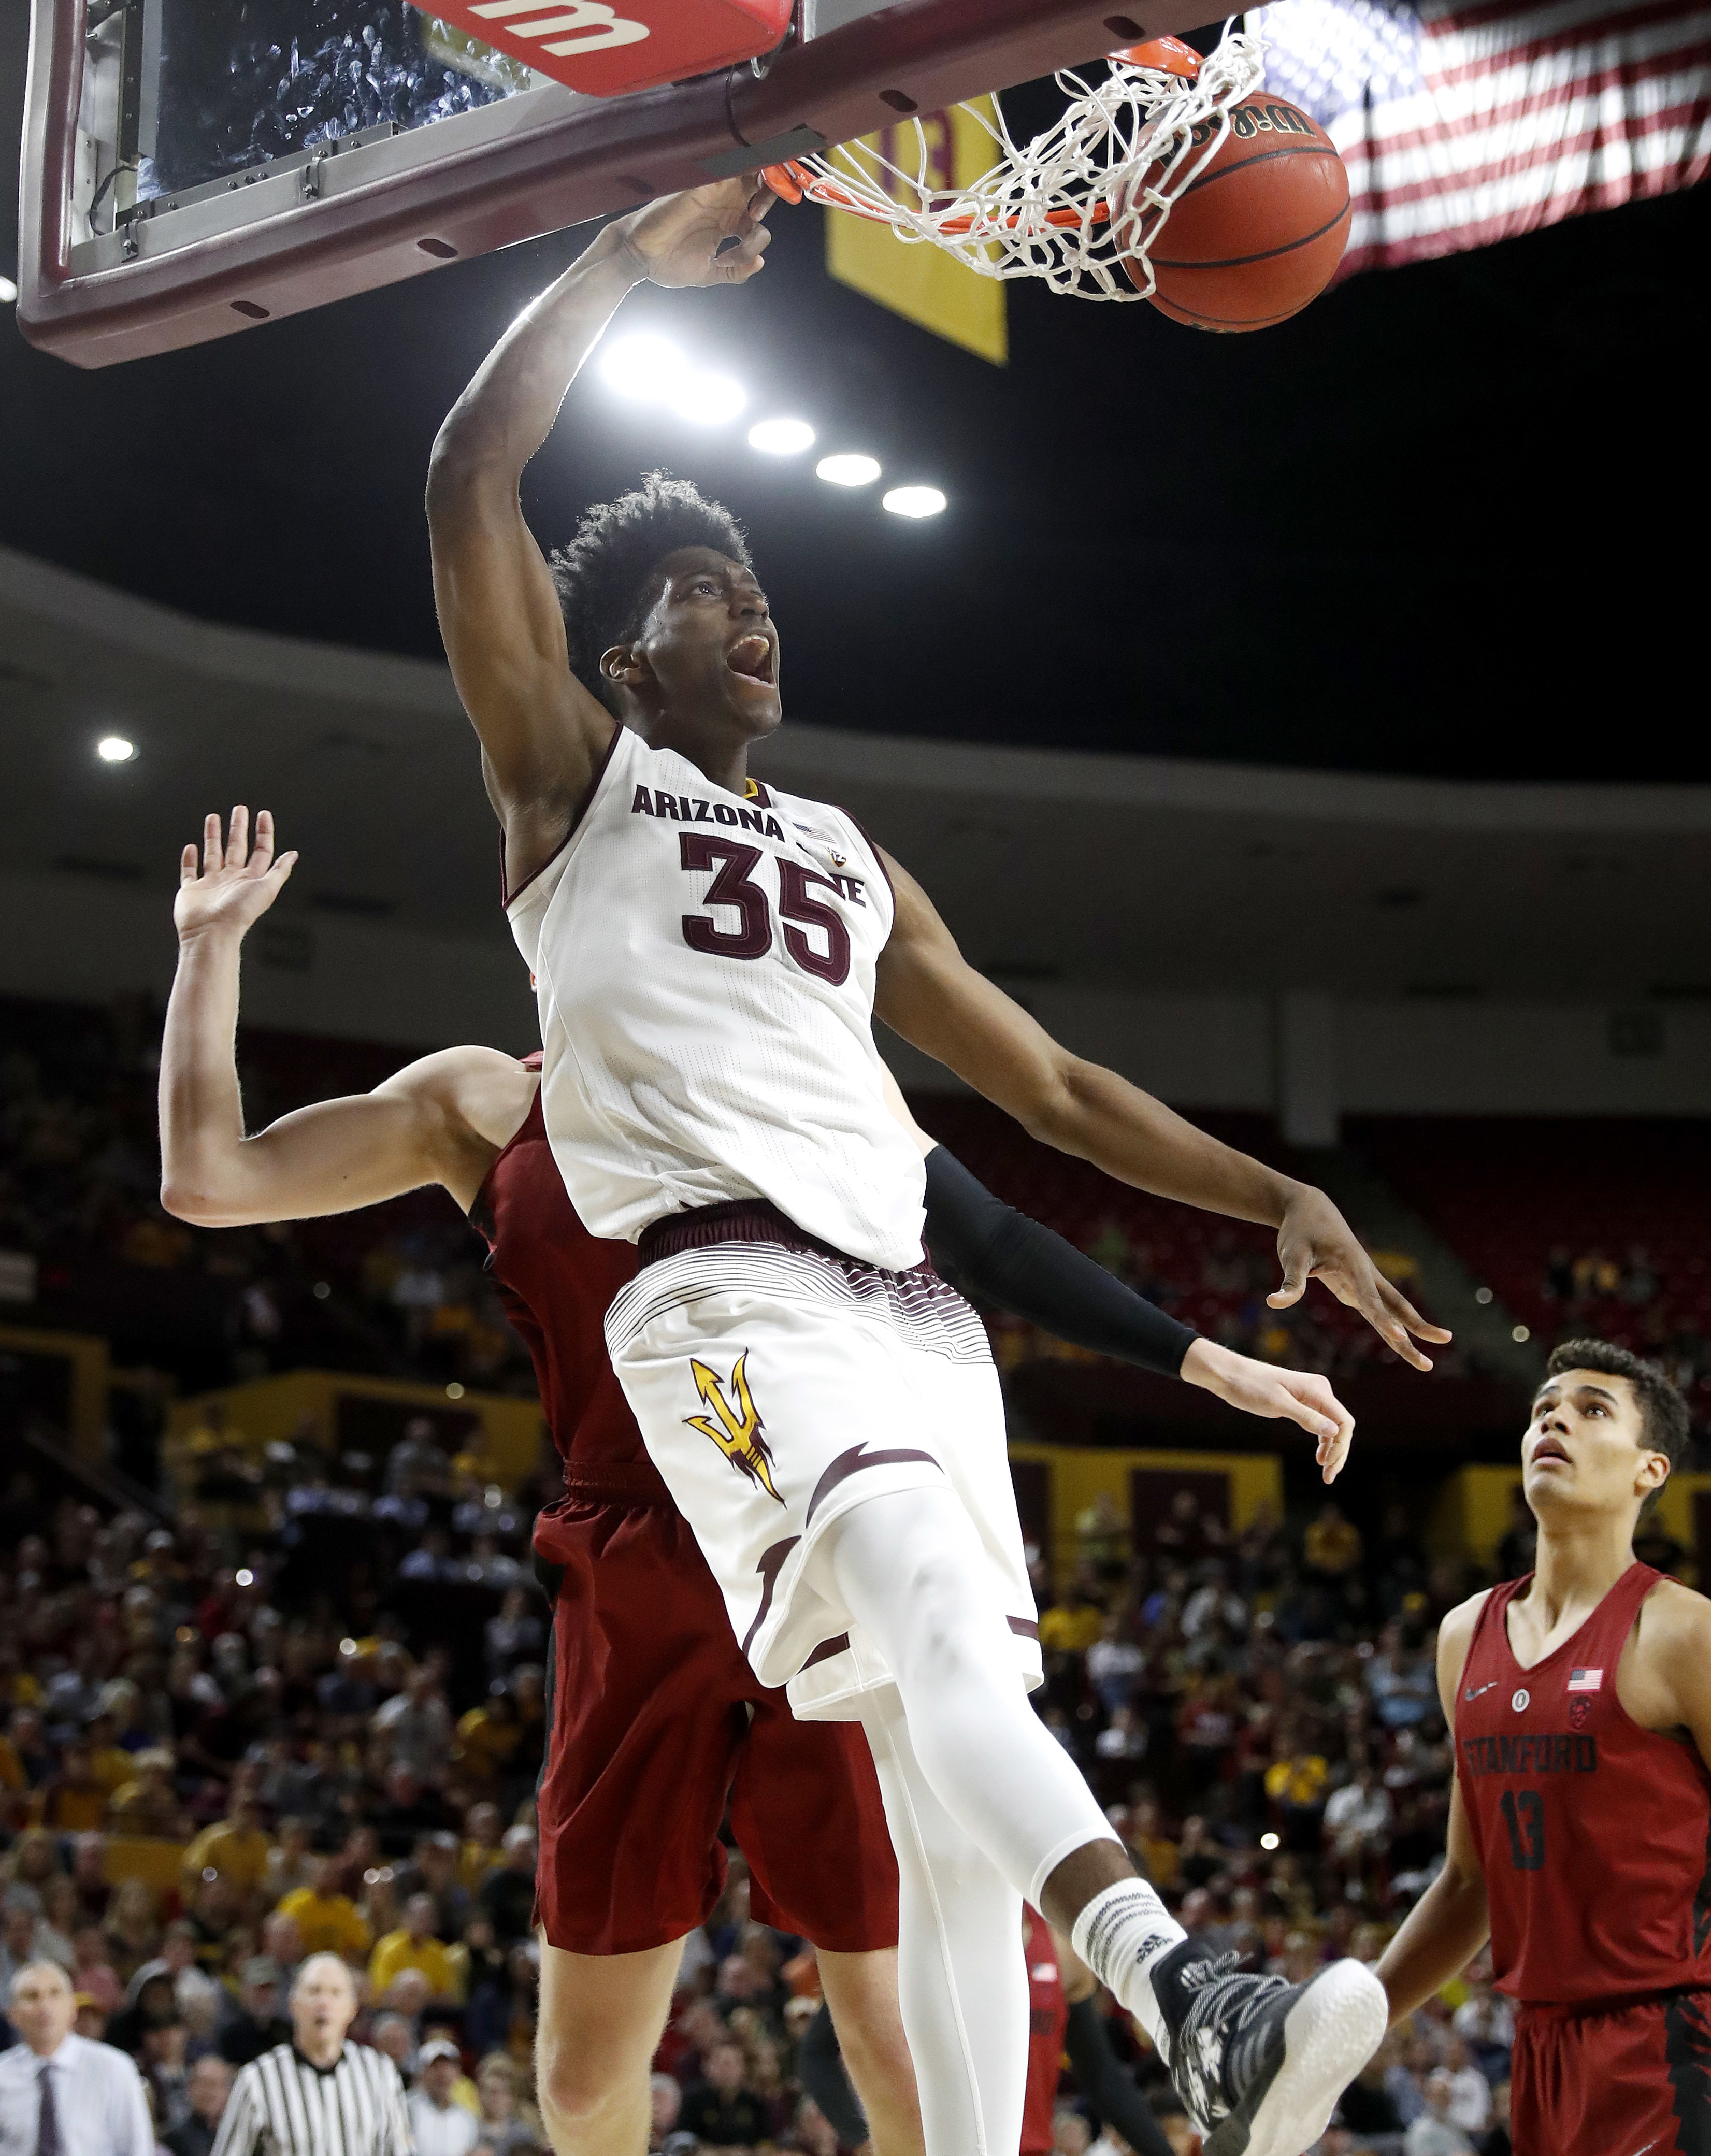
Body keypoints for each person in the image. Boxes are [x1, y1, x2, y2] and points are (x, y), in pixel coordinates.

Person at [423, 168, 1448, 2156]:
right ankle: (1189, 1994)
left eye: (763, 598)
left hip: (913, 1312)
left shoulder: (848, 854)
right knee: (899, 1577)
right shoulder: (570, 782)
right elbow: (473, 461)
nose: (755, 617)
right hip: (715, 1294)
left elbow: (1052, 1087)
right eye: (711, 601)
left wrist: (1274, 1197)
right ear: (621, 658)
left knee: (949, 1749)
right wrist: (626, 258)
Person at [159, 817, 1387, 2156]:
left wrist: (1200, 1355)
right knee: (577, 2078)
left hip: (810, 1535)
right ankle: (1176, 1986)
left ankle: (1168, 1997)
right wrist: (209, 950)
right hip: (628, 1566)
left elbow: (995, 1219)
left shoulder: (788, 1084)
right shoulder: (483, 1099)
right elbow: (210, 1179)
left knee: (887, 2018)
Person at [1375, 1341, 1711, 2153]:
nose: (1553, 1417)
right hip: (1539, 2056)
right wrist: (1345, 2021)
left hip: (1671, 2040)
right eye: (1542, 1408)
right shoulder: (1463, 1634)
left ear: (1649, 1470)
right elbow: (1467, 1882)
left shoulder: (1682, 1631)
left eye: (1592, 1408)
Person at [210, 1953, 410, 2156]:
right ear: (293, 2004)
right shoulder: (257, 2080)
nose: (324, 2003)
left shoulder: (380, 2074)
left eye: (336, 1993)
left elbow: (400, 2150)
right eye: (315, 1992)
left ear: (353, 2009)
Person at [0, 1959, 154, 2156]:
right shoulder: (3, 2075)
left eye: (55, 1994)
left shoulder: (113, 2067)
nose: (45, 2006)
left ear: (72, 2008)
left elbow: (138, 2148)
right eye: (32, 1997)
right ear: (14, 2015)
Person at [408, 2038, 482, 2156]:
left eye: (448, 2067)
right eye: (435, 2067)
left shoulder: (467, 2119)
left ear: (458, 2074)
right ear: (422, 2073)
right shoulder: (407, 2110)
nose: (442, 2074)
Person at [165, 2053, 234, 2156]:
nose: (209, 2093)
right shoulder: (174, 2139)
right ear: (190, 2089)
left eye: (214, 2085)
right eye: (203, 2084)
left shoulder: (238, 2134)